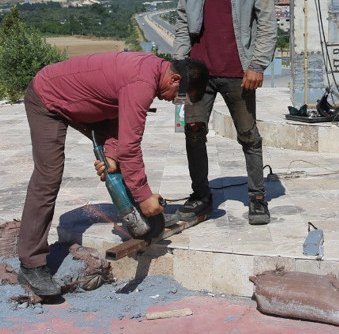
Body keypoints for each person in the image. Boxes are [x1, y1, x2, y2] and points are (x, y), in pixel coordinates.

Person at [17, 51, 207, 297]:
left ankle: (134, 215)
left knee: (117, 160)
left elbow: (123, 123)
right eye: (178, 97)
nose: (172, 102)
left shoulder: (152, 71)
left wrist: (112, 154)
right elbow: (130, 147)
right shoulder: (142, 83)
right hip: (48, 98)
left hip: (93, 104)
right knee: (48, 178)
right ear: (175, 79)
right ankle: (30, 264)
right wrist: (143, 195)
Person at [173, 0, 278, 226]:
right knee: (192, 131)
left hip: (239, 70)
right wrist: (180, 66)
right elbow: (181, 19)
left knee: (248, 135)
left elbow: (266, 19)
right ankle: (201, 195)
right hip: (198, 72)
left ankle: (257, 196)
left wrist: (258, 64)